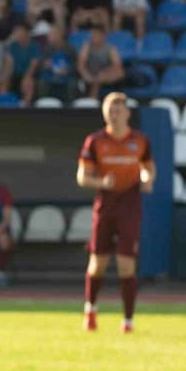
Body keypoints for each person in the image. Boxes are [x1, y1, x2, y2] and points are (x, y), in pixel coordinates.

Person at [76, 90, 153, 332]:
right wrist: (101, 183)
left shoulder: (140, 141)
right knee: (97, 262)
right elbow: (82, 177)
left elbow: (148, 168)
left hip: (130, 202)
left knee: (126, 264)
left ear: (127, 113)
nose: (115, 115)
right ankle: (91, 310)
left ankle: (128, 320)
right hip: (106, 203)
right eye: (111, 110)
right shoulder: (95, 141)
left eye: (119, 110)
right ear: (104, 114)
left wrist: (147, 179)